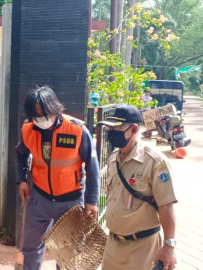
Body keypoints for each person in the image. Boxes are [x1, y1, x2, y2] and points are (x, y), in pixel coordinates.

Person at [16, 86, 100, 270]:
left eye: (44, 114)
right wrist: (21, 180)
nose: (41, 120)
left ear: (55, 108)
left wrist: (91, 201)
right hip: (39, 198)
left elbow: (93, 167)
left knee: (68, 252)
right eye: (36, 116)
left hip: (71, 201)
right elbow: (21, 154)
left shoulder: (77, 130)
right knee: (31, 247)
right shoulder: (28, 129)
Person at [97, 103, 177, 270]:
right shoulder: (113, 159)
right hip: (113, 245)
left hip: (142, 247)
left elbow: (166, 205)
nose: (111, 133)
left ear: (133, 129)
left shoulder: (154, 162)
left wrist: (169, 246)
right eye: (109, 129)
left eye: (116, 128)